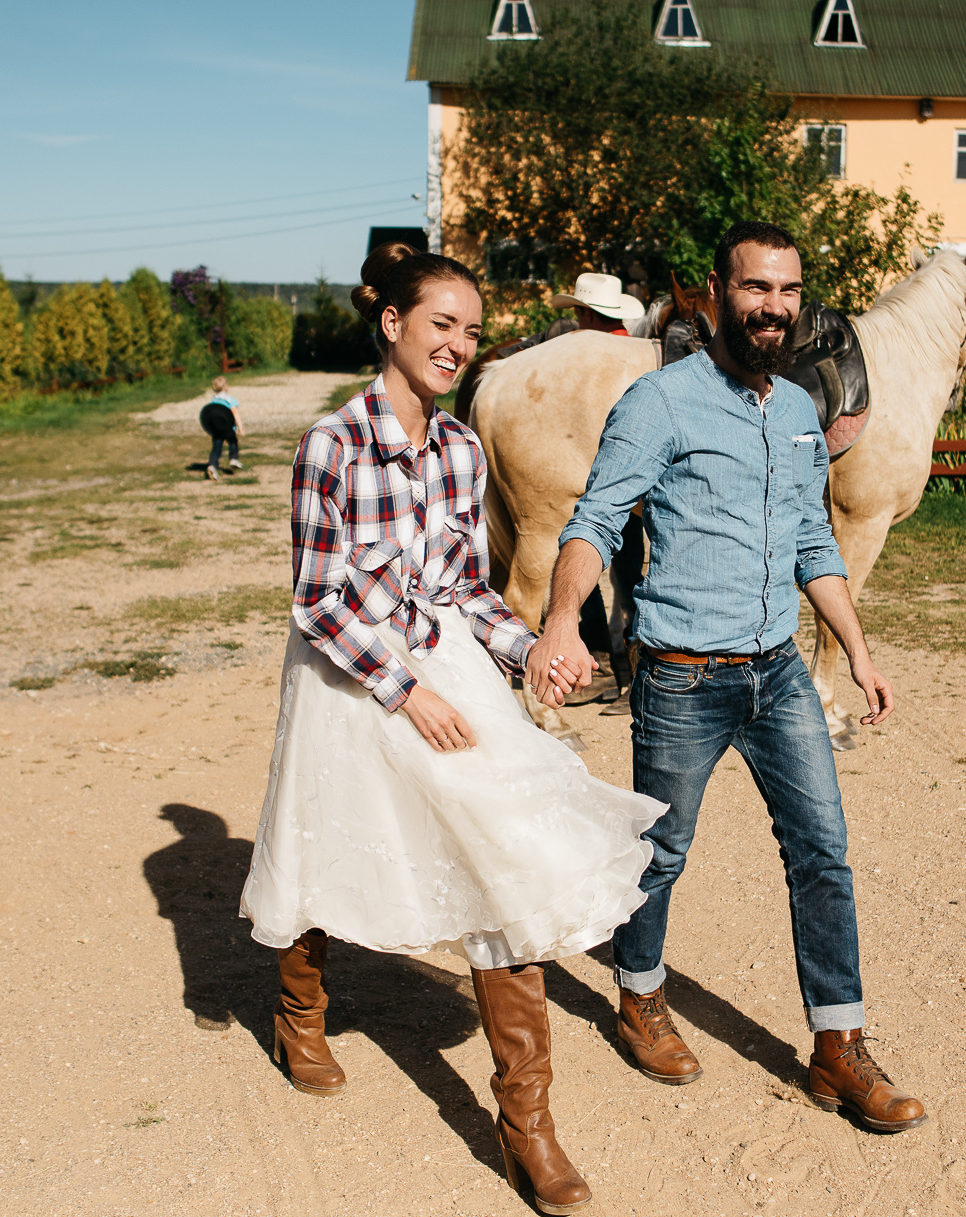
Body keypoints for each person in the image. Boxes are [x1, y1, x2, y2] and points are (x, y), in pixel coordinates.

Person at [238, 242, 664, 1215]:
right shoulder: (330, 447)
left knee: (498, 850)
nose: (457, 346)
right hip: (350, 674)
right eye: (441, 324)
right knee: (328, 841)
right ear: (389, 322)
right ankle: (298, 1013)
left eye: (471, 333)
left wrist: (529, 655)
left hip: (446, 668)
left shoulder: (463, 451)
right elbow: (316, 600)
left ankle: (527, 1125)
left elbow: (465, 590)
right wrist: (403, 690)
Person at [526, 221, 927, 1134]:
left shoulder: (795, 410)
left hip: (778, 672)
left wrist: (857, 649)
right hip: (681, 677)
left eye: (787, 291)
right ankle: (638, 993)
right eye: (755, 289)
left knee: (822, 853)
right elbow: (594, 521)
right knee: (661, 854)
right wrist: (558, 620)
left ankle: (837, 1046)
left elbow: (814, 542)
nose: (773, 308)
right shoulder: (659, 404)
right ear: (717, 292)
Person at [547, 273, 647, 338]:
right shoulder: (641, 347)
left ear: (588, 314)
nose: (578, 324)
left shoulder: (582, 349)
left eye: (577, 314)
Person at [200, 378, 244, 480]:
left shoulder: (214, 400)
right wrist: (240, 427)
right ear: (226, 387)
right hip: (228, 427)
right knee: (233, 441)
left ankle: (212, 465)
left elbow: (209, 414)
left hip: (216, 428)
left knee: (217, 448)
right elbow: (235, 413)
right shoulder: (229, 399)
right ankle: (233, 458)